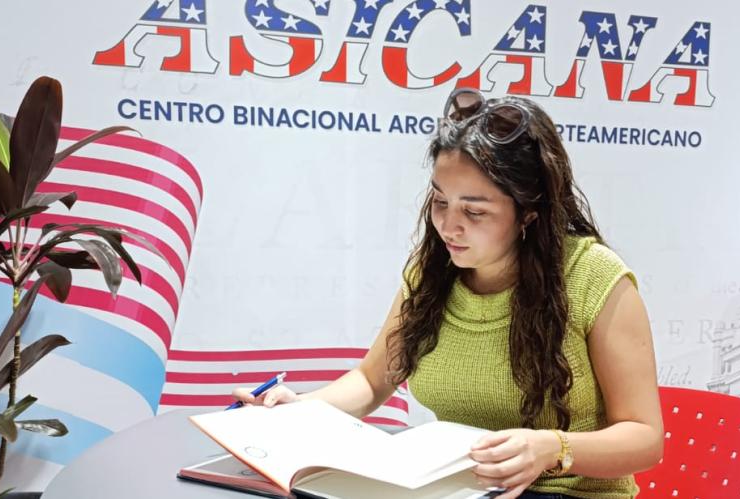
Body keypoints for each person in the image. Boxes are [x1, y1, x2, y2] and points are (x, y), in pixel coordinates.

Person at [233, 88, 663, 499]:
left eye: (474, 211)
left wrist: (552, 448)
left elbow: (645, 438)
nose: (448, 226)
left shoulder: (593, 277)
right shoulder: (432, 273)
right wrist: (302, 410)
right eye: (440, 202)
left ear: (529, 212)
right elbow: (370, 381)